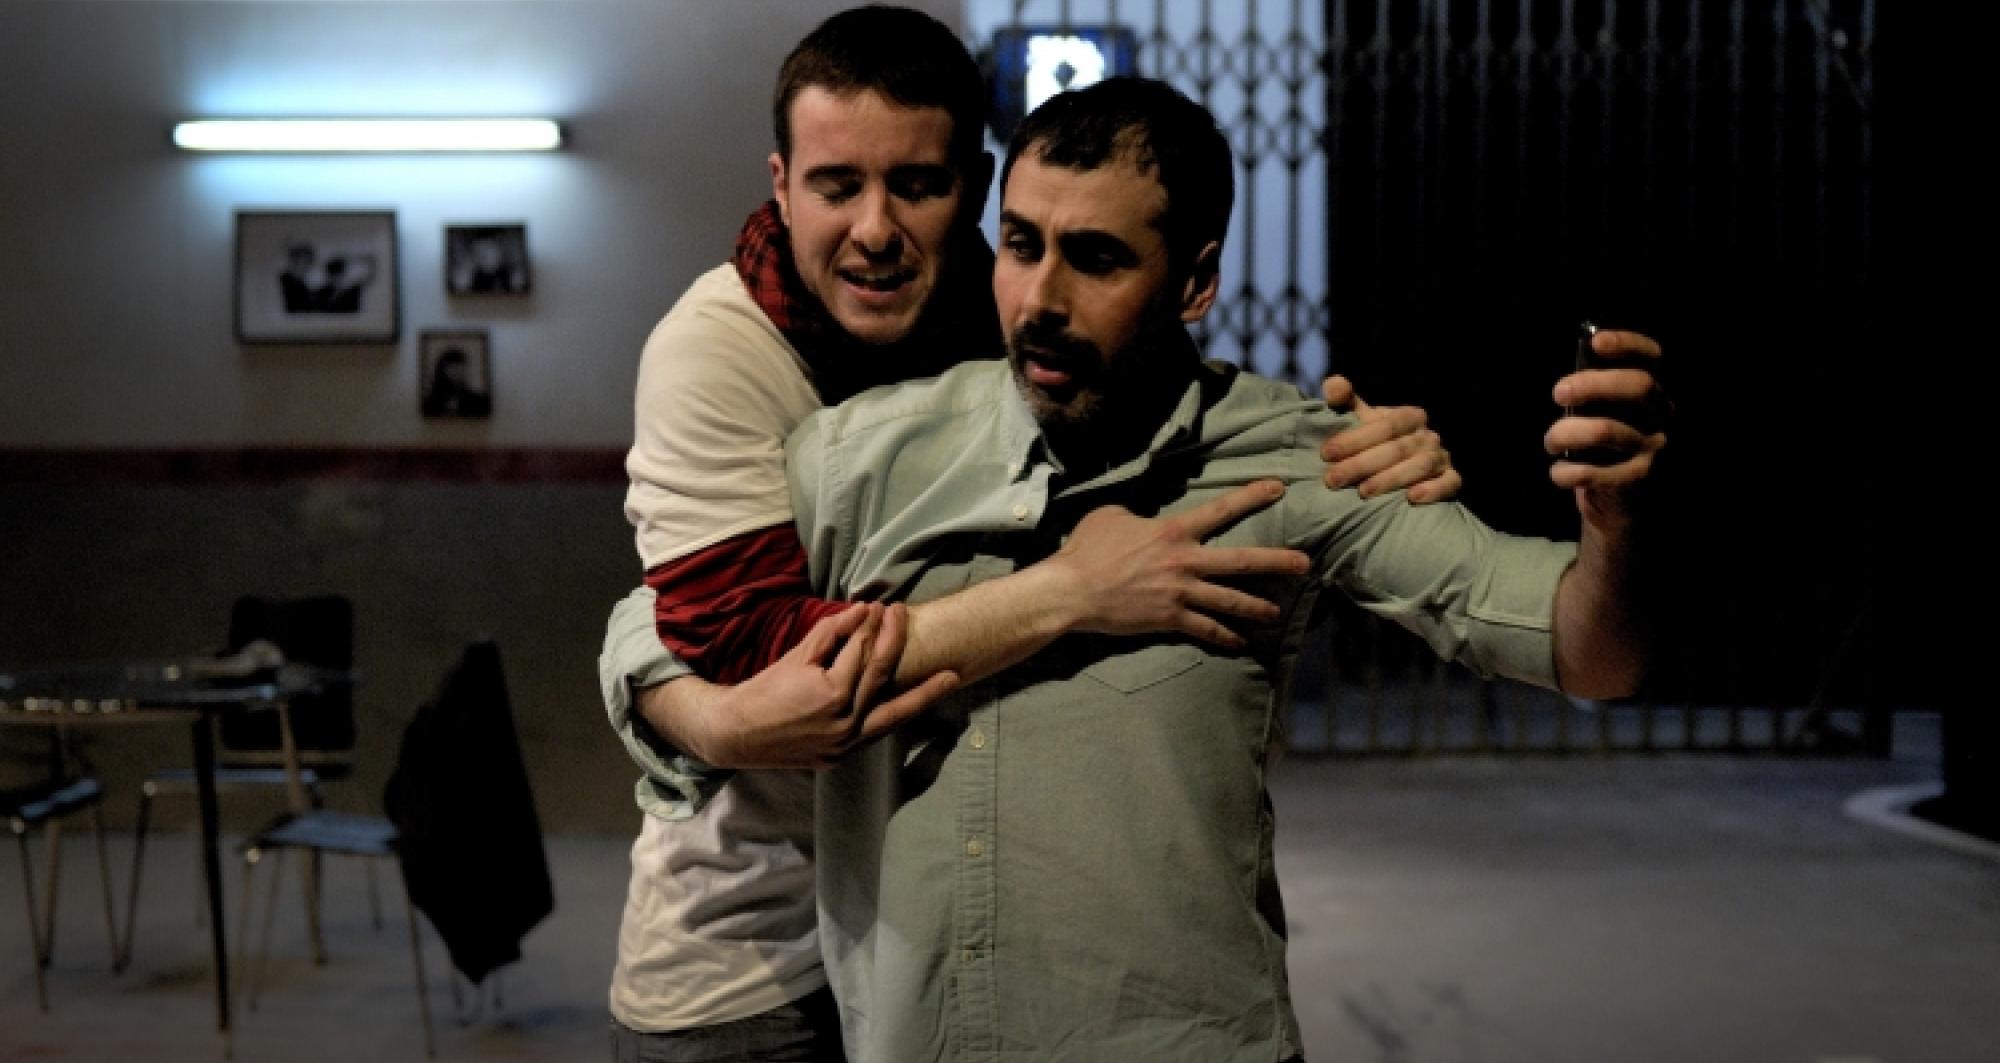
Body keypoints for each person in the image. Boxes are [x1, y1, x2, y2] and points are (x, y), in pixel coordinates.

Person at [641, 75, 1664, 1061]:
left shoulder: (1291, 461)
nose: (1040, 298)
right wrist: (721, 719)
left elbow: (1586, 653)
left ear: (1194, 281)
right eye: (1020, 244)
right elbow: (659, 632)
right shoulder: (863, 456)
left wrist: (1613, 523)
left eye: (1095, 258)